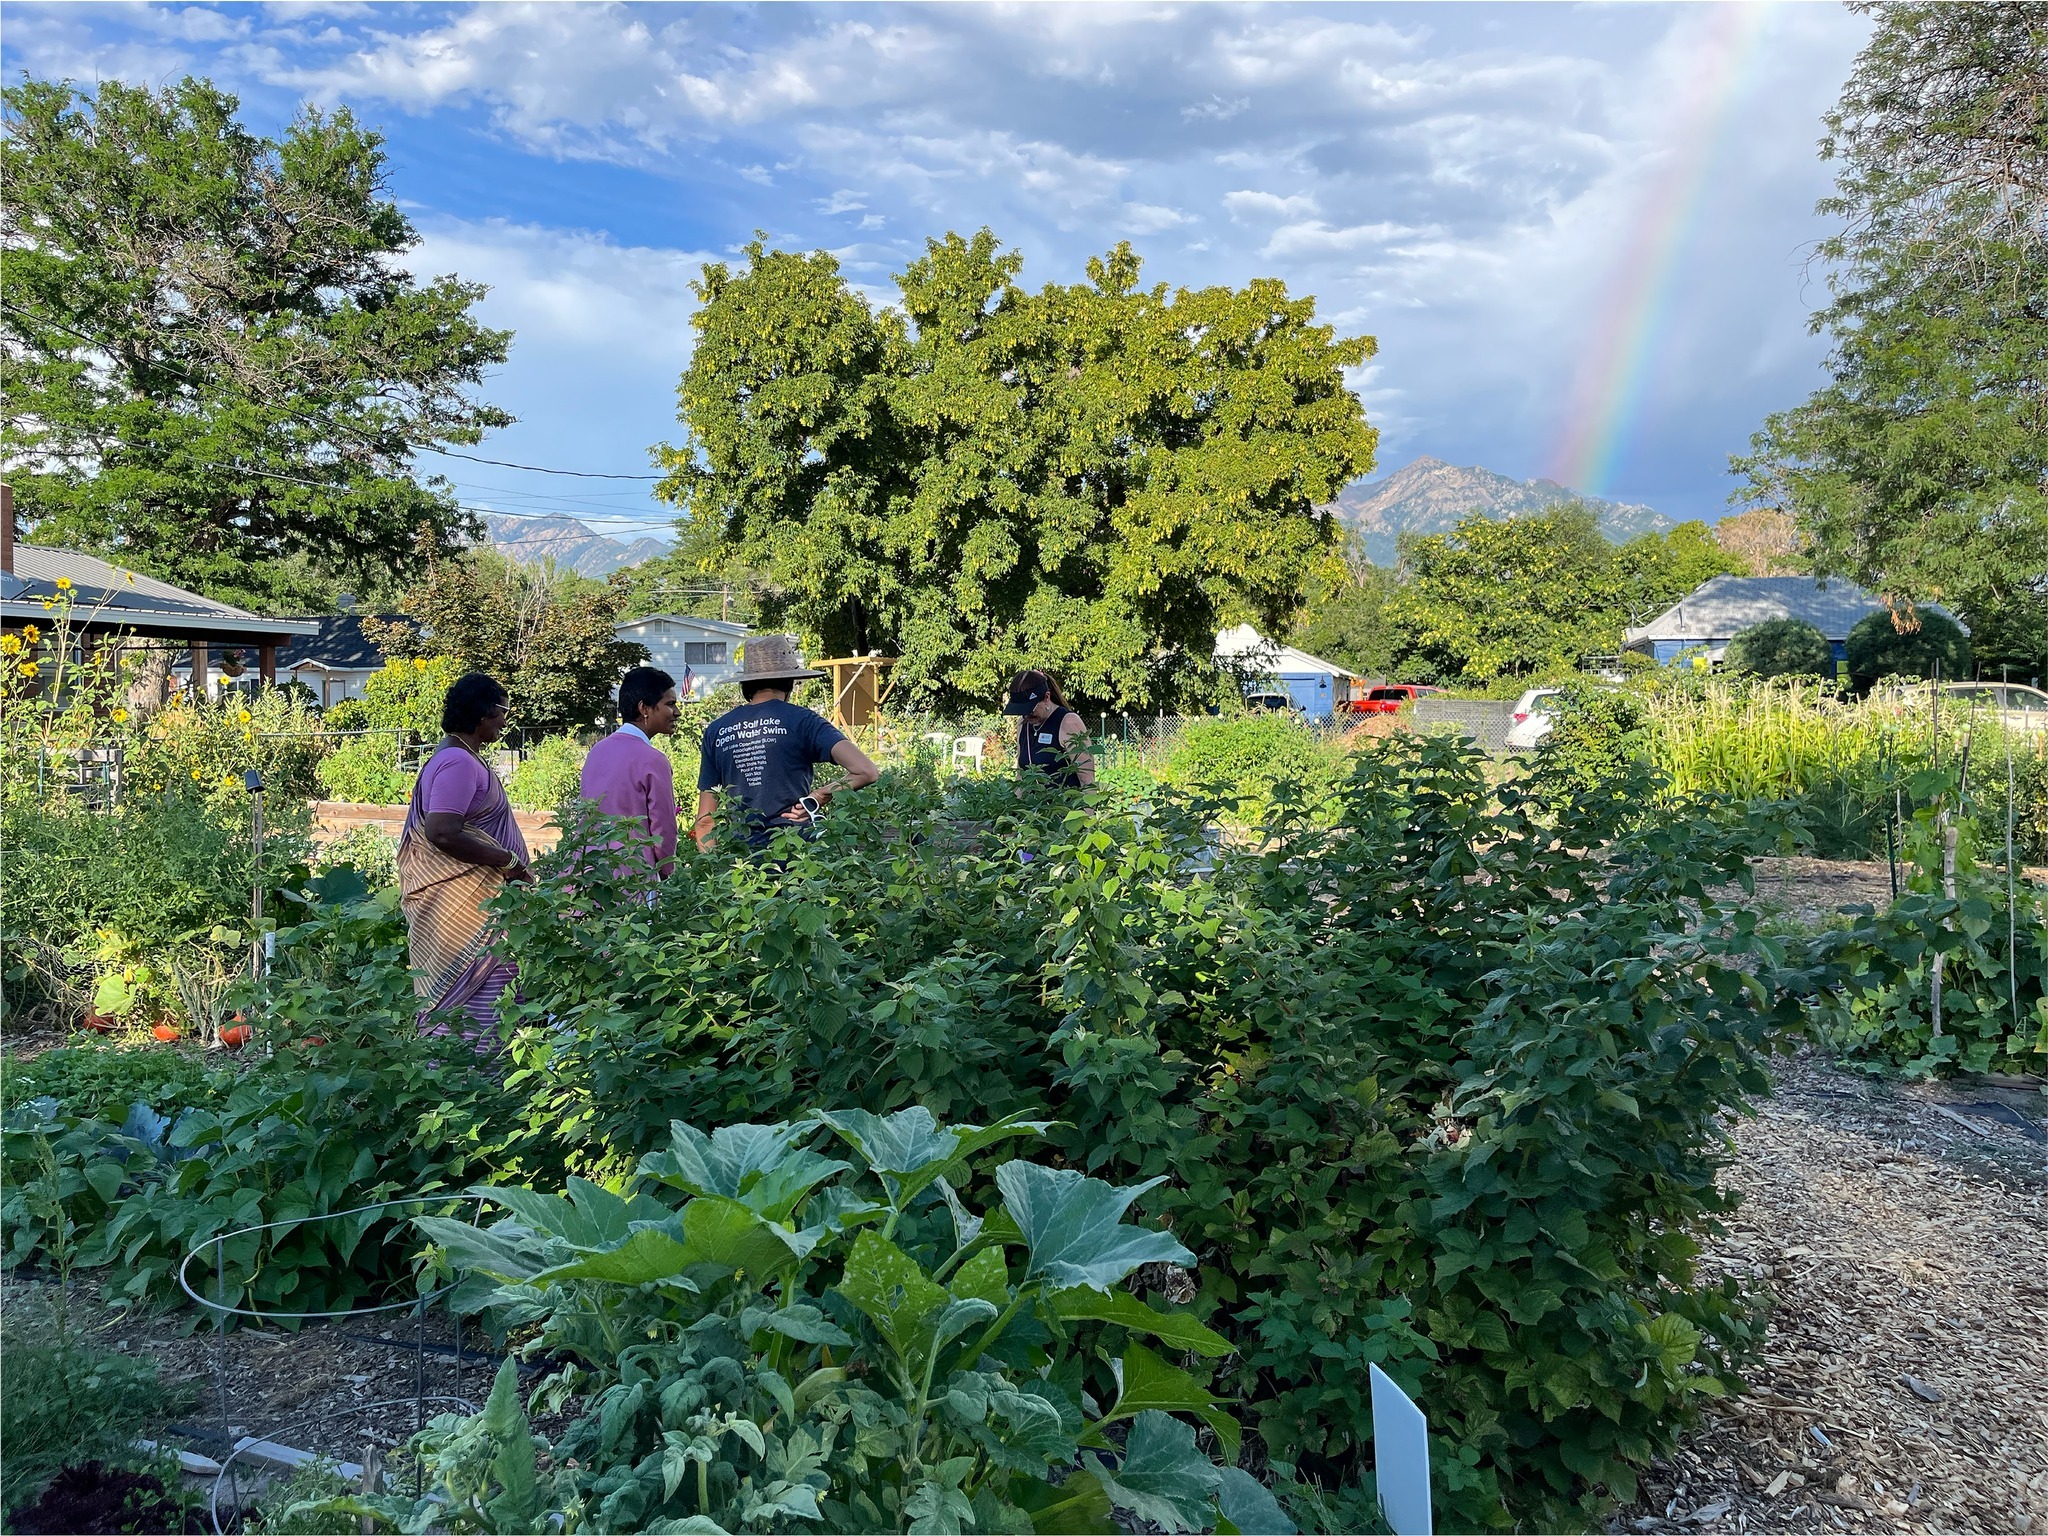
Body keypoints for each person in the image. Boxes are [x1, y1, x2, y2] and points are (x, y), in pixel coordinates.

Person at [396, 672, 532, 1043]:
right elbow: (442, 830)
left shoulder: (459, 757)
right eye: (503, 711)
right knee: (477, 1016)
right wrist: (506, 861)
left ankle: (480, 1090)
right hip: (468, 915)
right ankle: (475, 1091)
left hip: (482, 908)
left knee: (491, 1010)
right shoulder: (458, 762)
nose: (505, 720)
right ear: (482, 714)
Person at [694, 634, 879, 851]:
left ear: (746, 685)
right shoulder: (803, 721)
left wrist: (716, 871)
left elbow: (706, 822)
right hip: (797, 854)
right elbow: (866, 771)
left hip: (742, 863)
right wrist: (819, 796)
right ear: (788, 681)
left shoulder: (717, 731)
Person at [580, 665, 680, 876]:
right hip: (633, 878)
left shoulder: (597, 751)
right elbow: (663, 830)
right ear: (645, 708)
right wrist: (666, 872)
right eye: (670, 704)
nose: (677, 712)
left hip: (591, 872)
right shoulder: (654, 760)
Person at [1003, 668, 1096, 789]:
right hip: (1033, 806)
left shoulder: (1068, 722)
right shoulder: (1023, 724)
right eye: (1021, 711)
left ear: (1046, 697)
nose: (1026, 715)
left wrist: (1088, 807)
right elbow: (1021, 775)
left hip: (1065, 806)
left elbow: (1087, 781)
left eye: (1030, 710)